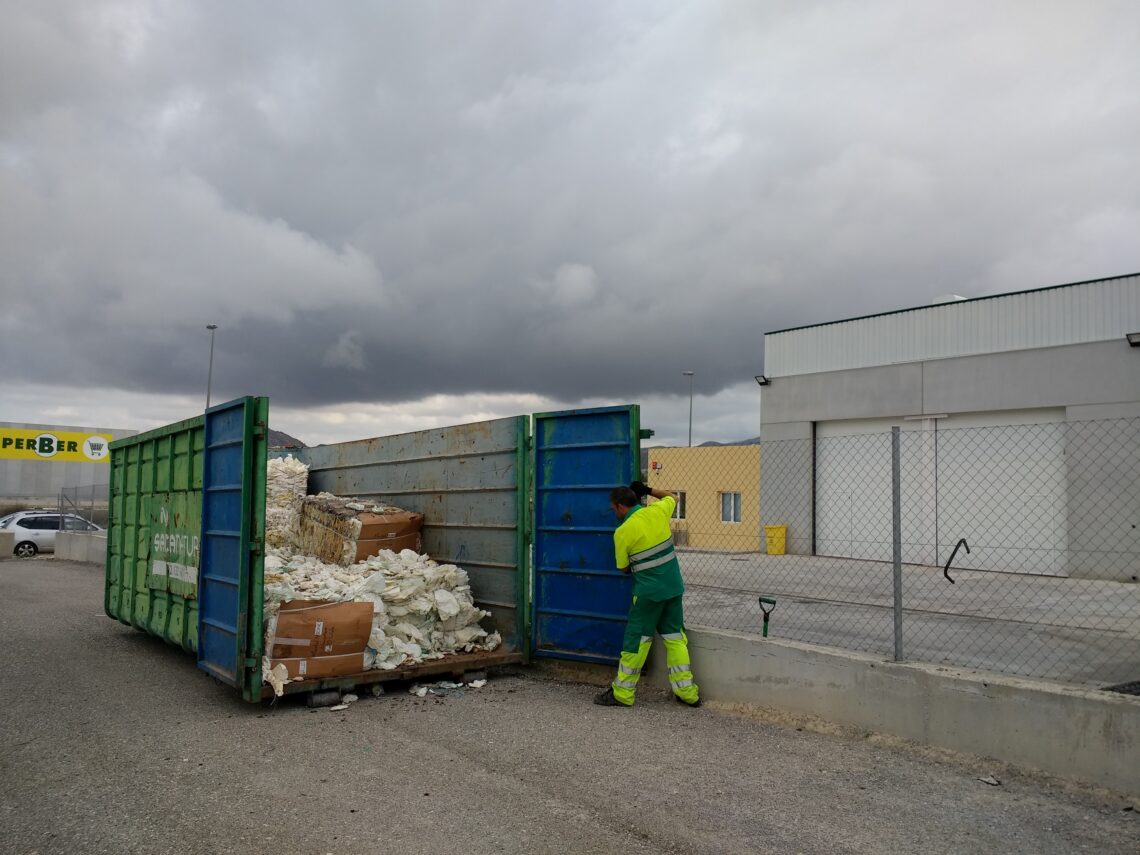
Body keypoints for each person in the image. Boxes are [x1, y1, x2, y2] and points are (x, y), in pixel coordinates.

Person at [594, 480, 701, 708]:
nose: (614, 512)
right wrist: (648, 490)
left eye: (613, 509)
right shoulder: (657, 511)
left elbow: (623, 568)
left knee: (637, 641)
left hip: (648, 594)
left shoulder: (623, 531)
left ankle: (622, 693)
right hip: (673, 588)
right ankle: (687, 693)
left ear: (621, 507)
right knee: (675, 639)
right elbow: (673, 496)